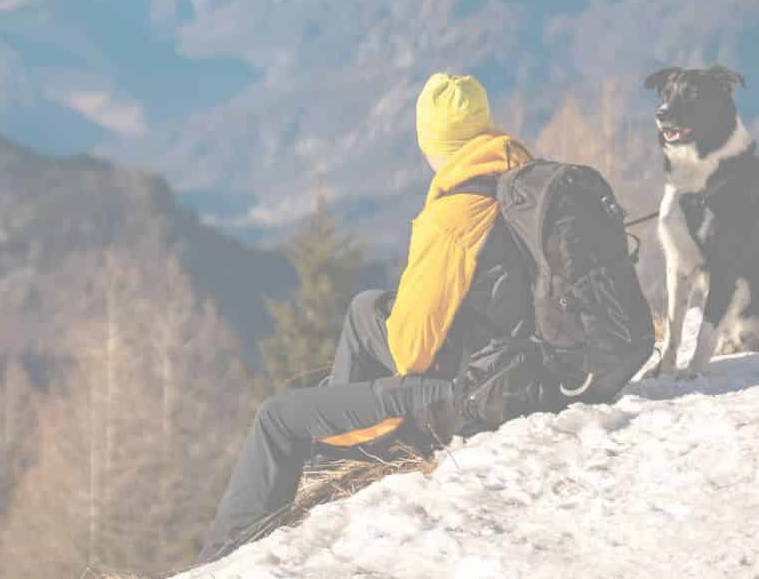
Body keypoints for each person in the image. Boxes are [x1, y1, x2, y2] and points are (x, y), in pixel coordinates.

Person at [197, 72, 539, 564]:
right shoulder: (516, 178)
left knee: (276, 418)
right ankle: (342, 444)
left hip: (466, 392)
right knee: (366, 306)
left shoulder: (455, 215)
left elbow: (409, 351)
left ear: (432, 141)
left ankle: (220, 561)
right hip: (512, 364)